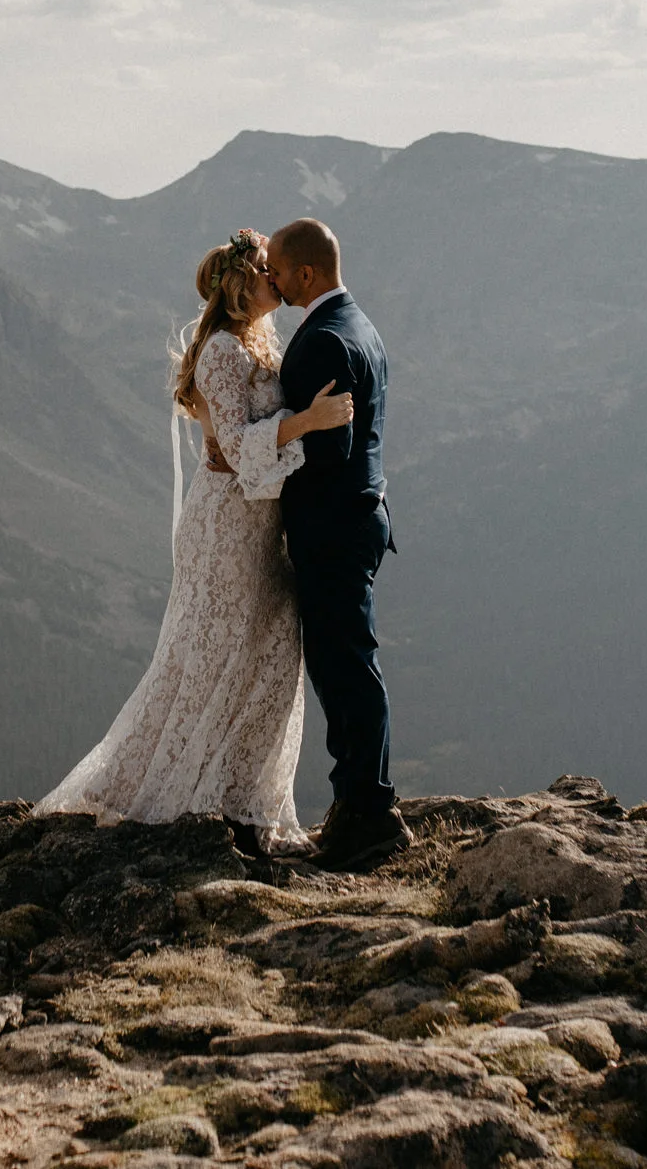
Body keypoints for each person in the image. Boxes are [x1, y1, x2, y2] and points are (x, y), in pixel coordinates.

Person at [38, 228, 354, 857]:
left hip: (261, 527)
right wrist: (309, 422)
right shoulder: (219, 353)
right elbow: (236, 450)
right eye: (269, 271)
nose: (279, 279)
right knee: (217, 655)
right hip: (227, 530)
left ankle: (244, 799)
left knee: (266, 653)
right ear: (244, 281)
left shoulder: (256, 347)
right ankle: (182, 795)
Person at [266, 217, 413, 873]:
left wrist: (258, 442)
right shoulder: (361, 325)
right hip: (363, 514)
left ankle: (371, 811)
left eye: (275, 267)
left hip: (334, 524)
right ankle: (359, 803)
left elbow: (325, 452)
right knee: (351, 659)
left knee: (344, 664)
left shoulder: (324, 341)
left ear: (305, 273)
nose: (269, 277)